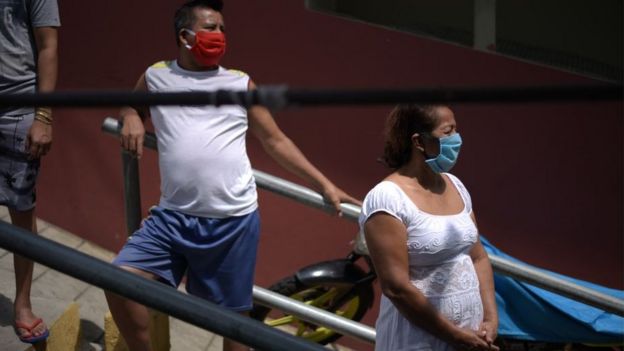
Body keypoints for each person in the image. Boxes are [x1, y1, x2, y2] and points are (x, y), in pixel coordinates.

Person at [104, 1, 361, 350]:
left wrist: (325, 185)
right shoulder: (156, 76)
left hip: (232, 223)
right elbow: (132, 105)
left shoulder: (240, 83)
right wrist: (131, 115)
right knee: (119, 281)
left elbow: (275, 140)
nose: (220, 36)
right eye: (211, 28)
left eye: (223, 29)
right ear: (185, 35)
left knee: (232, 325)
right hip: (172, 219)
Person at [359, 104, 499, 351]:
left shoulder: (455, 186)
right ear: (419, 141)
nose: (457, 139)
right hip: (418, 340)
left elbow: (477, 257)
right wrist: (454, 335)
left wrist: (490, 318)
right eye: (448, 132)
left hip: (469, 336)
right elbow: (396, 287)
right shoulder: (388, 198)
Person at [0, 0, 60, 345]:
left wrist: (44, 116)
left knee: (21, 212)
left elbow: (48, 45)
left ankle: (22, 304)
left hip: (17, 110)